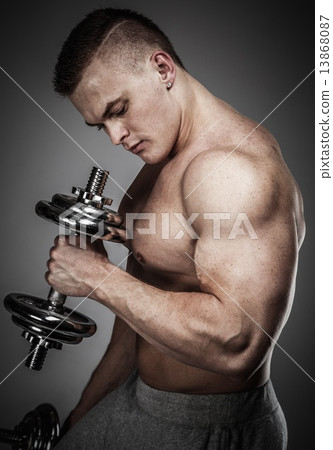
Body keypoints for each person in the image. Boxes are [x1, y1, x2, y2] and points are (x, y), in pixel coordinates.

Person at [49, 7, 305, 450]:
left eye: (119, 110)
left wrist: (95, 276)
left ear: (162, 68)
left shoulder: (233, 170)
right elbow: (140, 313)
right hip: (137, 399)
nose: (115, 137)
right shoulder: (162, 155)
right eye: (101, 125)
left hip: (209, 429)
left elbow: (238, 345)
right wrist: (84, 415)